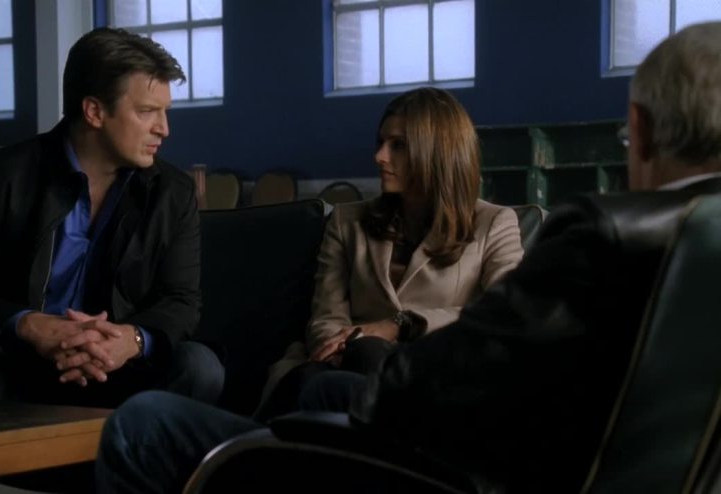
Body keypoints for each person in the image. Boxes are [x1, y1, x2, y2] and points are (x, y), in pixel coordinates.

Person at [94, 21, 721, 494]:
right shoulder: (692, 244)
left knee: (144, 420)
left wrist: (383, 357)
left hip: (442, 469)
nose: (381, 158)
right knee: (321, 388)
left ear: (639, 127)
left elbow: (467, 369)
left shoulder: (606, 234)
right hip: (494, 459)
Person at [0, 27, 224, 409]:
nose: (164, 128)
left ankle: (129, 446)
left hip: (120, 368)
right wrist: (31, 325)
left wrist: (130, 340)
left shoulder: (173, 193)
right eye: (147, 111)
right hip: (17, 364)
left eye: (165, 111)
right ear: (94, 111)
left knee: (199, 366)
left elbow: (181, 301)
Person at [256, 87, 523, 418]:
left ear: (438, 152)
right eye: (381, 142)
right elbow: (327, 313)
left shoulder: (494, 223)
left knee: (364, 357)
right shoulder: (347, 221)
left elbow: (506, 313)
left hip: (431, 374)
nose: (379, 156)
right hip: (339, 366)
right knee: (324, 374)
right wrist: (337, 347)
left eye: (398, 145)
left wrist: (400, 325)